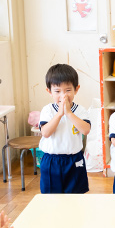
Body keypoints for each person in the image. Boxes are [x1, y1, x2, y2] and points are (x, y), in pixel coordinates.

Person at [39, 64, 91, 194]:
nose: (63, 95)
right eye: (57, 91)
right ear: (49, 92)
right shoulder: (48, 110)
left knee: (76, 195)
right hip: (52, 161)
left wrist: (69, 113)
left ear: (76, 89)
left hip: (74, 159)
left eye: (68, 90)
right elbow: (45, 133)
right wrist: (60, 114)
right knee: (51, 197)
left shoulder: (80, 110)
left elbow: (86, 130)